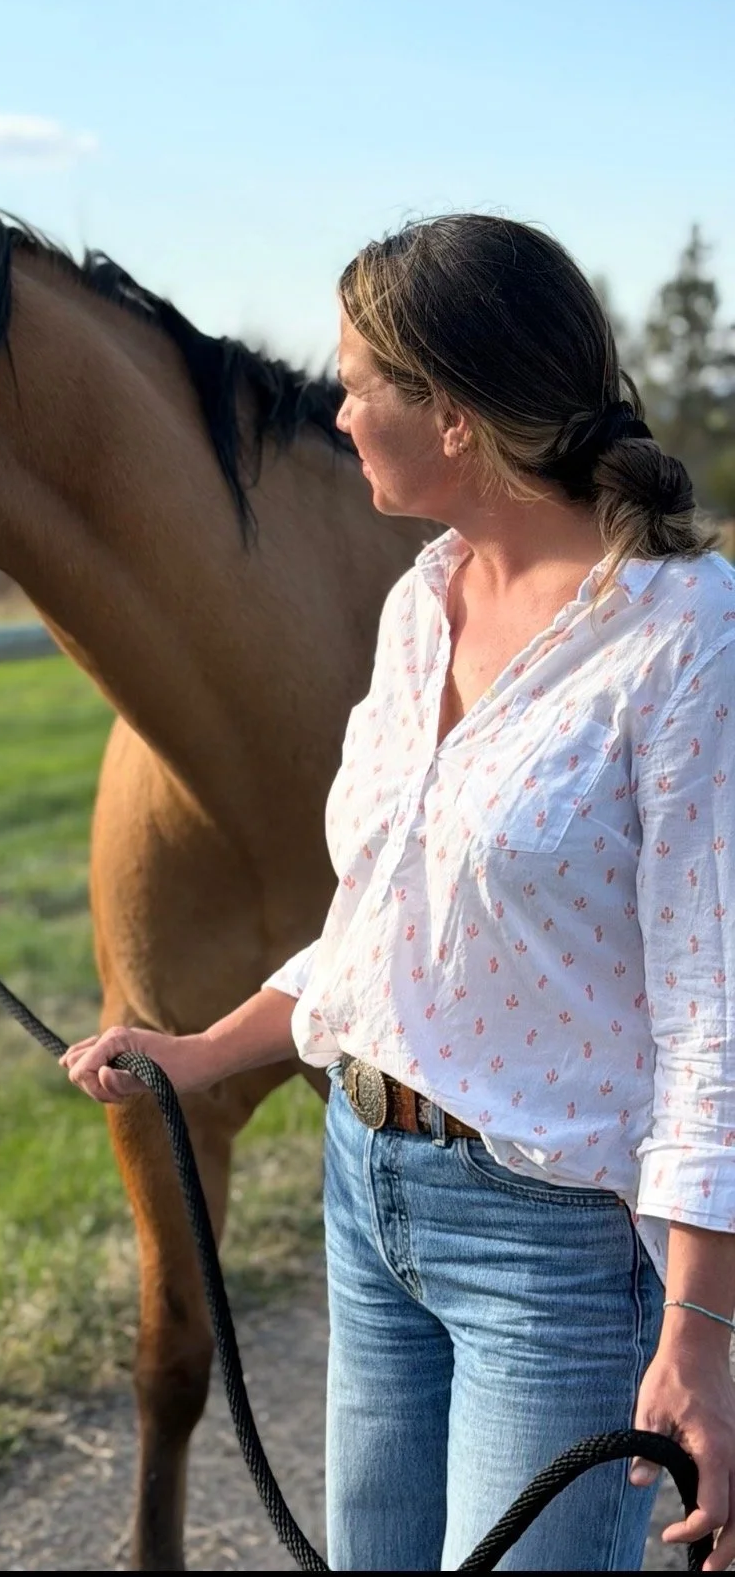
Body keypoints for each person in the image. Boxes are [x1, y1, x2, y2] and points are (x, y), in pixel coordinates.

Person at [62, 215, 735, 1572]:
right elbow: (377, 931)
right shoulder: (422, 598)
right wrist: (197, 1052)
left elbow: (720, 1006)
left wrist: (705, 1333)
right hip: (368, 1187)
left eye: (362, 374)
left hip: (559, 1257)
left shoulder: (686, 634)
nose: (338, 403)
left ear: (460, 417)